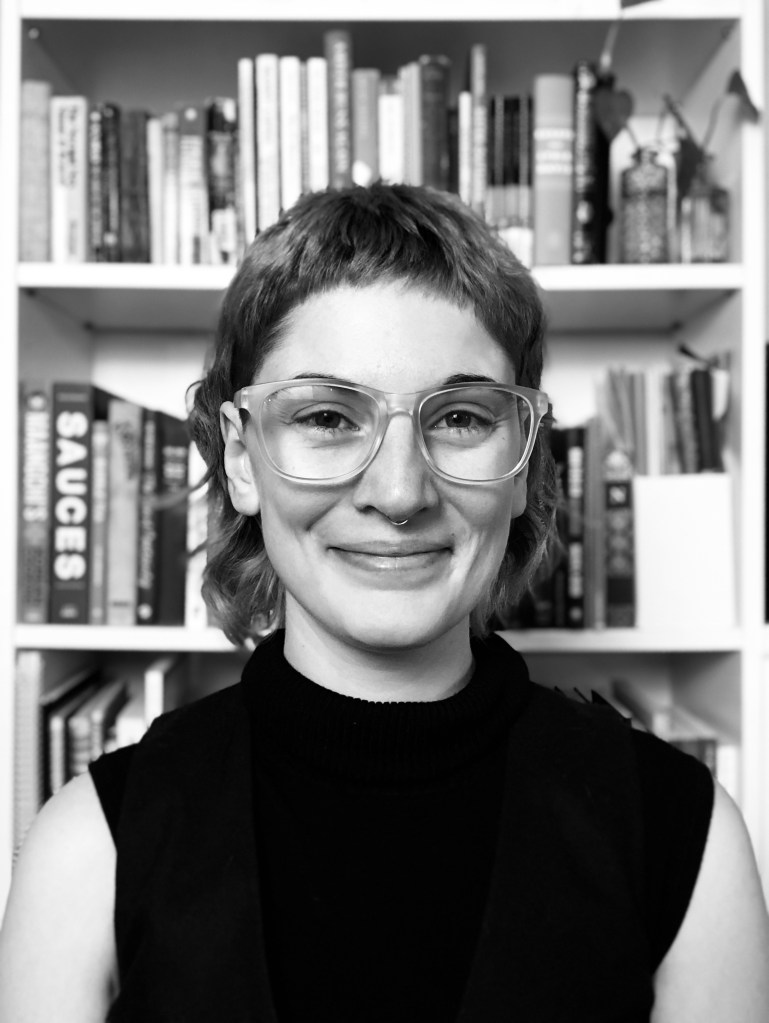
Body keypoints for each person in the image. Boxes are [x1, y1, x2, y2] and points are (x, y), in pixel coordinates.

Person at [1, 182, 768, 1022]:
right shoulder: (87, 847)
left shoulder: (686, 837)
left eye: (463, 416)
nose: (399, 491)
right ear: (241, 459)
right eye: (329, 415)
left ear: (523, 461)